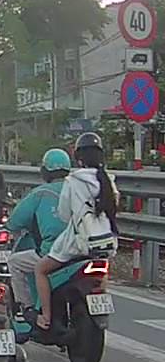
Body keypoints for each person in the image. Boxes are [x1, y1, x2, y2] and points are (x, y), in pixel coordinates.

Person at [32, 133, 119, 338]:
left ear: (79, 157)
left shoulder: (73, 181)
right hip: (107, 243)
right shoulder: (108, 180)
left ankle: (45, 316)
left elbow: (64, 214)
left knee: (40, 269)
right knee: (102, 272)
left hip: (78, 244)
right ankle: (100, 295)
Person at [5, 148, 70, 311]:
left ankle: (27, 308)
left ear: (45, 171)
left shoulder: (40, 193)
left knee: (14, 262)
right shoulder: (79, 190)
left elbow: (14, 222)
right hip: (82, 251)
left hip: (53, 253)